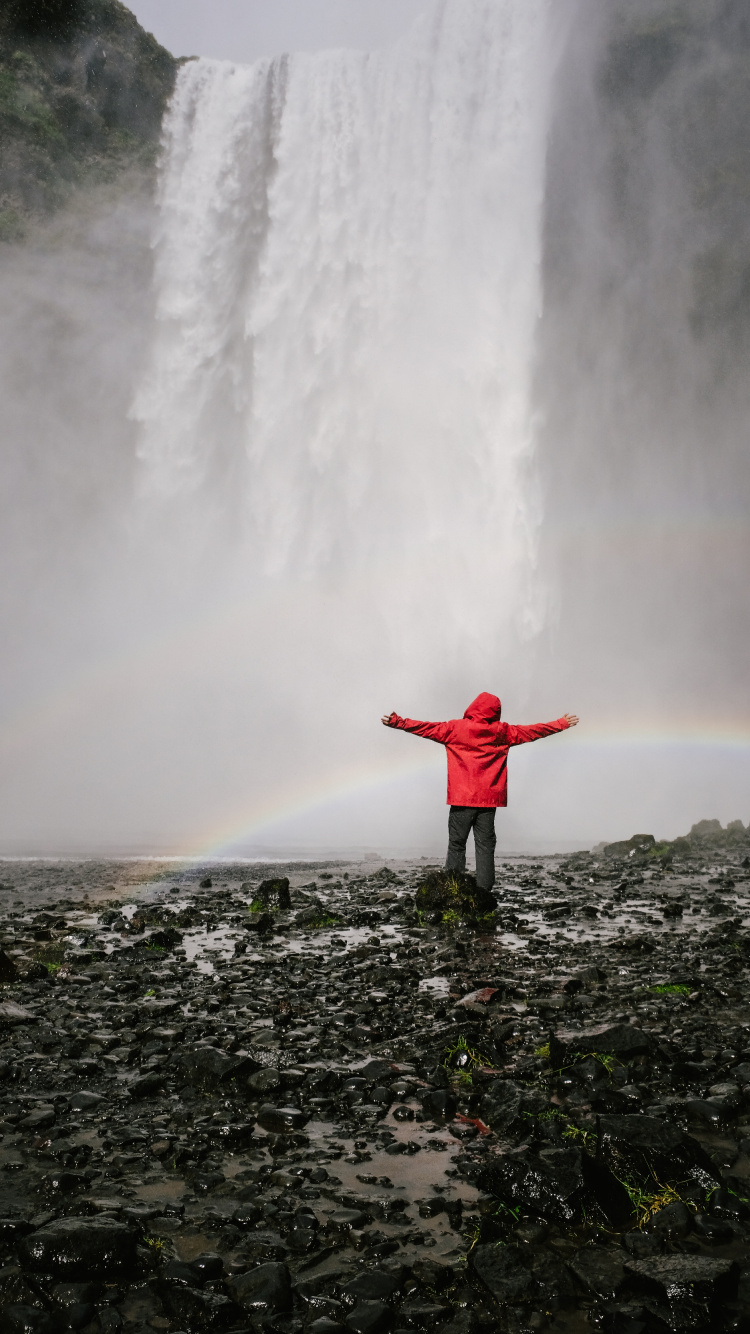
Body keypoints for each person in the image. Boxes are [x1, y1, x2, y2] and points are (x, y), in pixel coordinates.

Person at [381, 693, 578, 890]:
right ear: (496, 711)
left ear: (472, 707)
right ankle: (484, 890)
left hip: (461, 800)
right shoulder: (502, 731)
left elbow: (425, 728)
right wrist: (561, 723)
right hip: (488, 802)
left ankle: (454, 886)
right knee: (485, 846)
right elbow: (533, 731)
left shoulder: (455, 728)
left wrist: (398, 722)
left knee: (457, 844)